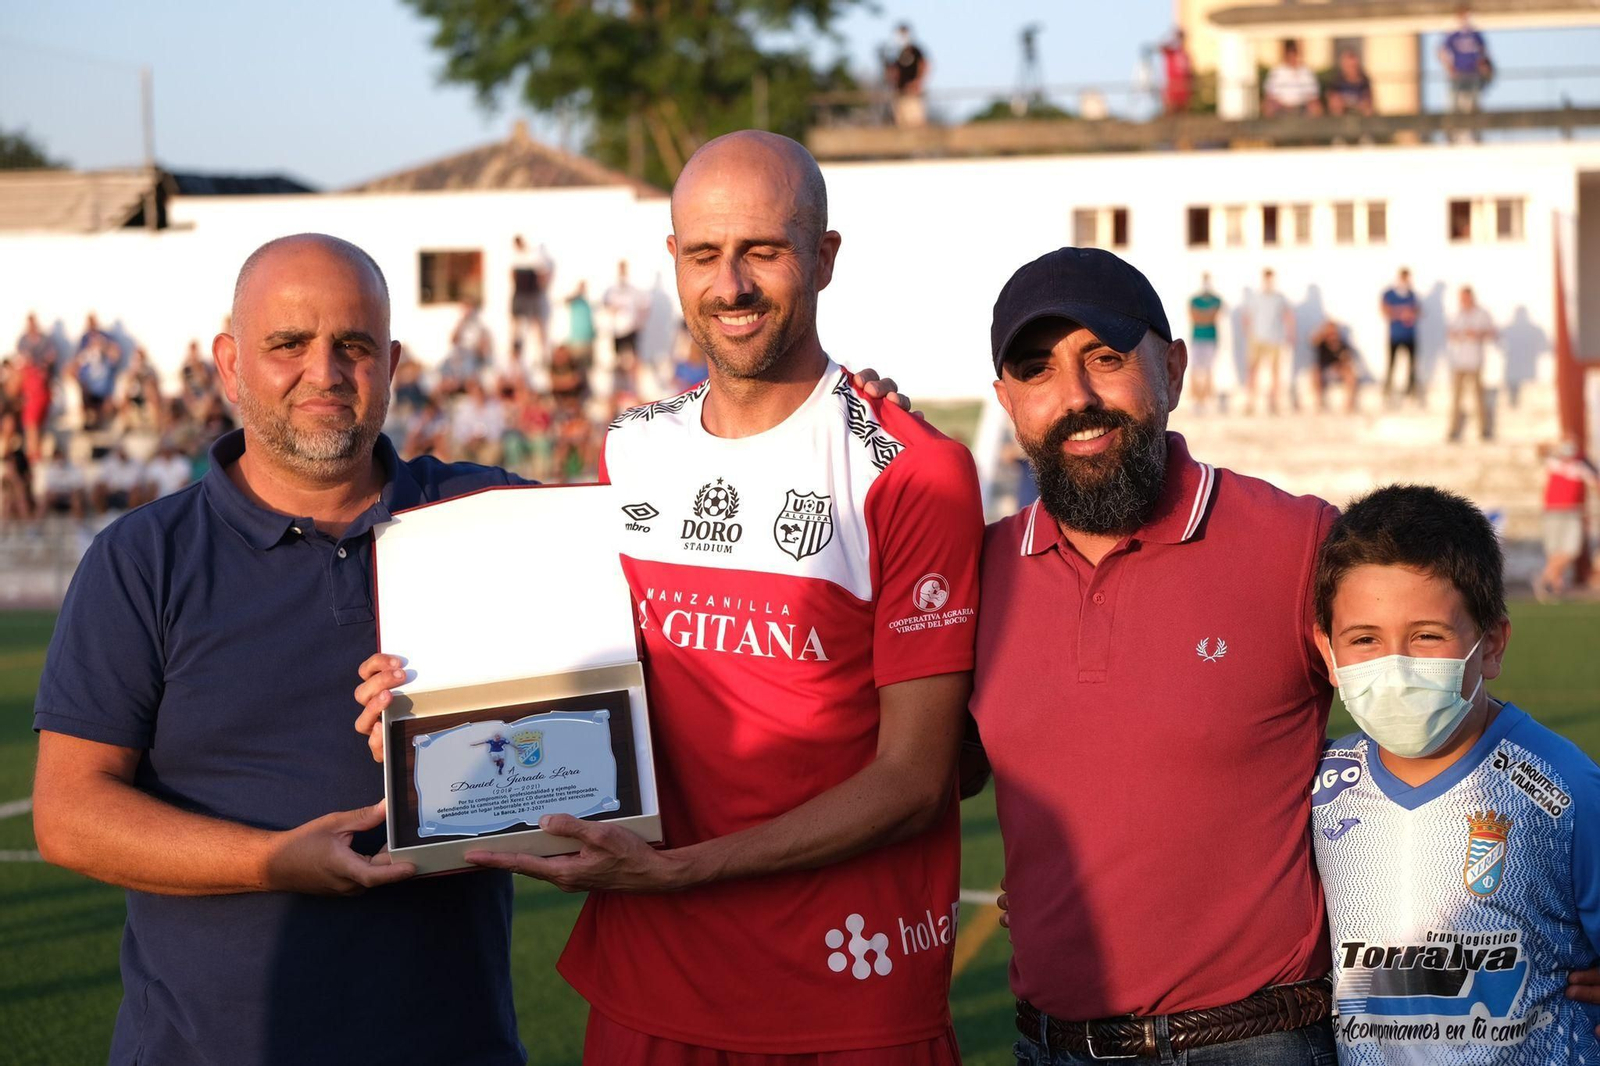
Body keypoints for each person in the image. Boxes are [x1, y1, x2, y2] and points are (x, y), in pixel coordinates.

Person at [356, 130, 982, 1065]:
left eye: (762, 251)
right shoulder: (635, 450)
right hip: (649, 984)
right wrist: (424, 702)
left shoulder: (912, 471)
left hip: (842, 995)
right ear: (674, 265)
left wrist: (678, 871)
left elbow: (917, 779)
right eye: (703, 254)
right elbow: (572, 655)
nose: (730, 285)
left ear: (824, 258)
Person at [30, 233, 528, 1066]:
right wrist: (272, 862)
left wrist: (462, 739)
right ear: (229, 363)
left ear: (393, 362)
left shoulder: (489, 518)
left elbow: (620, 727)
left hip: (451, 1043)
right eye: (288, 344)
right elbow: (70, 813)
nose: (325, 372)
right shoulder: (143, 557)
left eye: (355, 346)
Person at [973, 246, 1339, 1064]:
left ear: (1172, 369)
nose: (1077, 399)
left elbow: (1451, 716)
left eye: (1106, 358)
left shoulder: (1297, 542)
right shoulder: (978, 571)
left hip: (1256, 1042)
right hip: (1050, 1046)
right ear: (1007, 401)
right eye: (1038, 371)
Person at [1310, 484, 1600, 1061]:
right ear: (1329, 655)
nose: (1396, 665)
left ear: (1490, 644)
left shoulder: (1564, 788)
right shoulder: (1318, 788)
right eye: (1365, 639)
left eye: (1427, 636)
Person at [1536, 435, 1599, 600]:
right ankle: (1553, 586)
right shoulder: (1554, 461)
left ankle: (1544, 579)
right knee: (1554, 550)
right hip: (1552, 511)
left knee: (1571, 550)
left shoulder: (1580, 466)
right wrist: (1555, 446)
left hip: (1572, 512)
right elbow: (1540, 449)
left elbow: (1596, 482)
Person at [1445, 285, 1496, 442]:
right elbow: (1450, 333)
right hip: (1458, 361)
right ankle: (1454, 431)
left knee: (1479, 398)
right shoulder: (1456, 315)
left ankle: (1484, 431)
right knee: (1456, 399)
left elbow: (1492, 333)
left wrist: (1477, 334)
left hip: (1475, 361)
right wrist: (1458, 335)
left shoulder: (1482, 314)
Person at [1244, 267, 1295, 414]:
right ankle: (1250, 402)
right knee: (1253, 370)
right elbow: (1247, 317)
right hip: (1257, 339)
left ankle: (1273, 403)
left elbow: (1288, 316)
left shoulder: (1279, 298)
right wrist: (1249, 334)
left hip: (1275, 339)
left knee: (1275, 372)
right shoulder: (1256, 297)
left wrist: (1290, 334)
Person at [509, 234, 553, 368]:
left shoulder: (535, 255)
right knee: (516, 326)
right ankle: (515, 355)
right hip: (520, 293)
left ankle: (542, 355)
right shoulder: (515, 257)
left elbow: (544, 273)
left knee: (537, 324)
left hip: (532, 294)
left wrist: (540, 289)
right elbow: (512, 274)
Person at [1380, 268, 1421, 404]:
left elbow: (1417, 311)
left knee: (1412, 364)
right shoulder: (1389, 293)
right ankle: (1388, 389)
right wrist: (1402, 313)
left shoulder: (1411, 294)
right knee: (1392, 363)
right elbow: (1385, 311)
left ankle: (1411, 389)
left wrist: (1410, 313)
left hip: (1409, 334)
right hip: (1395, 335)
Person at [1441, 6, 1492, 114]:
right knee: (1454, 103)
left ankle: (1474, 121)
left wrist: (1482, 63)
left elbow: (1483, 49)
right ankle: (1453, 124)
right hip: (1459, 72)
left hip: (1473, 71)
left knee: (1474, 103)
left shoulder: (1474, 33)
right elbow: (1442, 51)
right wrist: (1448, 67)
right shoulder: (1453, 34)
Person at [603, 260, 647, 380]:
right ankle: (620, 385)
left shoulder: (633, 289)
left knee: (634, 359)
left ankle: (635, 385)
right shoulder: (612, 290)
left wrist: (639, 322)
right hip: (617, 329)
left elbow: (643, 306)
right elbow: (606, 305)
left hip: (631, 328)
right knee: (618, 359)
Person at [1187, 273, 1222, 412]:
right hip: (1197, 338)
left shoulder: (1216, 299)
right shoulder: (1194, 299)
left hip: (1210, 339)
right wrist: (1206, 315)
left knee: (1208, 369)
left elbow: (1211, 317)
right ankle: (1196, 399)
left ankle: (1205, 399)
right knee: (1195, 370)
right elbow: (1195, 317)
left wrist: (1203, 315)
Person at [1311, 319, 1360, 413]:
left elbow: (1347, 359)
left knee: (1349, 372)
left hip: (1338, 371)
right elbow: (1312, 341)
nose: (1332, 335)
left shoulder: (1342, 345)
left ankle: (1349, 404)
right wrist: (1322, 333)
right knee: (1315, 372)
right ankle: (1318, 402)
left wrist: (1339, 363)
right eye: (1330, 332)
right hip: (1324, 372)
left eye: (1333, 332)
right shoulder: (1321, 344)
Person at [1264, 40, 1323, 117]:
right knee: (1268, 107)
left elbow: (1313, 95)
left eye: (1294, 55)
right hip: (1281, 105)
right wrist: (1281, 103)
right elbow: (1270, 94)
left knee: (1316, 108)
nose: (1292, 58)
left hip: (1302, 105)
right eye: (1289, 55)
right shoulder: (1277, 71)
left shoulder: (1307, 72)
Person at [889, 22, 929, 128]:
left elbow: (924, 65)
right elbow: (892, 70)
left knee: (915, 122)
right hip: (899, 92)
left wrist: (918, 81)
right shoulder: (895, 52)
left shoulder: (915, 51)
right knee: (900, 123)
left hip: (913, 93)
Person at [1327, 47, 1375, 117]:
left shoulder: (1364, 81)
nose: (1351, 69)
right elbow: (1334, 104)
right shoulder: (1336, 82)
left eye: (1353, 66)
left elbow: (1368, 104)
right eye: (1348, 66)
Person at [1160, 29, 1194, 115]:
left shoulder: (1185, 54)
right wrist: (1171, 35)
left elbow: (1189, 72)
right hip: (1173, 86)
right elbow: (1161, 46)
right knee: (1171, 112)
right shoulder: (1171, 52)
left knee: (1183, 113)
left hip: (1184, 87)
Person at [564, 279, 596, 369]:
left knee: (587, 367)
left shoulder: (587, 302)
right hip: (576, 341)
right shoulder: (575, 301)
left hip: (588, 340)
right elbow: (566, 301)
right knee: (576, 366)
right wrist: (577, 293)